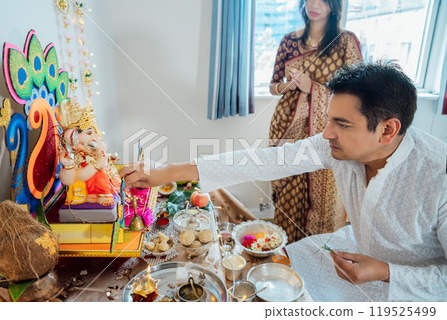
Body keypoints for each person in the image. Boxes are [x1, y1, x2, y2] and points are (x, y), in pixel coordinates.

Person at [121, 61, 447, 301]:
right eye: (329, 119)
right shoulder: (333, 145)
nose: (327, 133)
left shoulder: (438, 174)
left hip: (415, 291)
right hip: (351, 255)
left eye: (342, 124)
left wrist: (386, 272)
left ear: (388, 130)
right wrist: (165, 172)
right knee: (268, 285)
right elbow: (267, 160)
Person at [268, 0, 362, 242]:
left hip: (328, 132)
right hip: (287, 127)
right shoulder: (289, 41)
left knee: (326, 201)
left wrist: (313, 89)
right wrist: (286, 85)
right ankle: (287, 259)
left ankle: (320, 262)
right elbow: (273, 86)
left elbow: (358, 93)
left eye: (322, 0)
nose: (314, 4)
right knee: (287, 193)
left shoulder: (345, 42)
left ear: (334, 6)